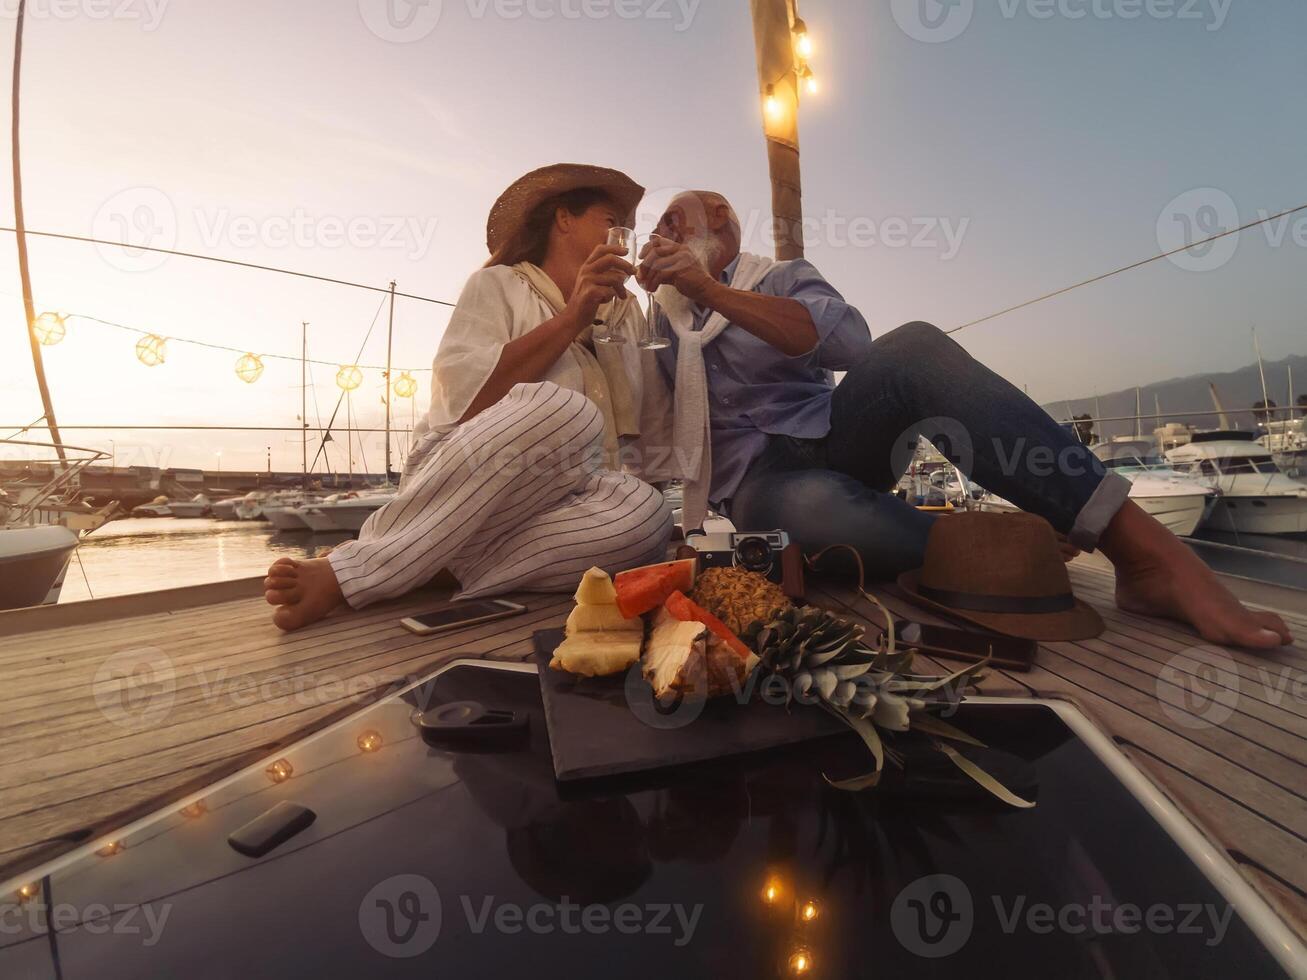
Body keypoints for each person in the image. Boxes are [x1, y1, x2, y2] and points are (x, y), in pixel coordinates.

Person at [634, 191, 1292, 650]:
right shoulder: (658, 324)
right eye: (652, 230)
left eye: (670, 220)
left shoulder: (777, 278)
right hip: (762, 481)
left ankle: (1145, 555)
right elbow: (634, 417)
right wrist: (603, 314)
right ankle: (1005, 546)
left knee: (913, 346)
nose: (657, 236)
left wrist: (708, 290)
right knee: (804, 513)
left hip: (837, 431)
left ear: (715, 216)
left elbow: (847, 348)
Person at [265, 164, 673, 631]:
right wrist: (573, 315)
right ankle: (351, 571)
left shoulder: (625, 313)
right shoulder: (498, 284)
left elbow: (646, 428)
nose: (623, 239)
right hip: (466, 476)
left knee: (649, 514)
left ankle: (431, 566)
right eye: (609, 220)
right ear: (564, 218)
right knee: (568, 413)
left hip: (564, 502)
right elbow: (465, 401)